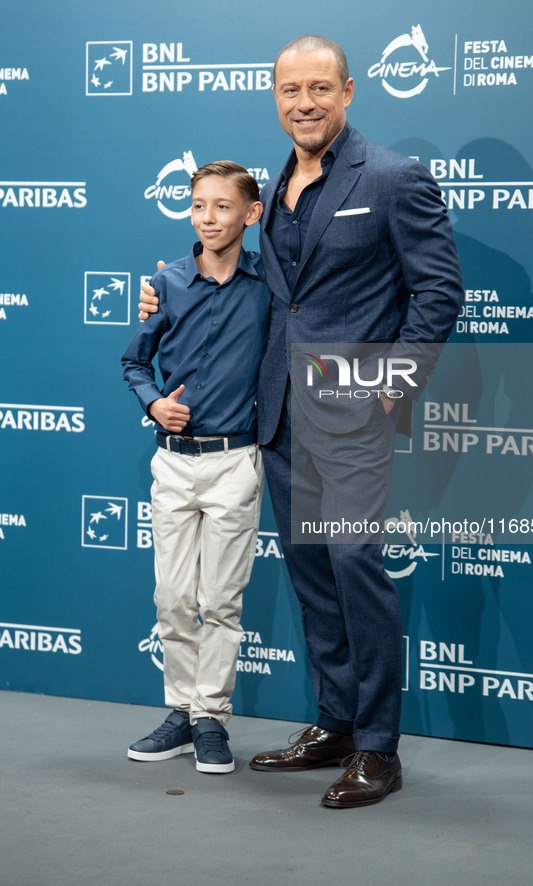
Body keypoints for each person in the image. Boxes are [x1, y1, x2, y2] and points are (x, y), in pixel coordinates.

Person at [139, 36, 464, 806]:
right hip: (278, 415)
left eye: (319, 88)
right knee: (314, 578)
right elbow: (251, 281)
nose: (305, 103)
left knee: (355, 568)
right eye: (291, 90)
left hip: (351, 412)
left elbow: (437, 293)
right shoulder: (276, 181)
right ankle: (336, 724)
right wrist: (164, 293)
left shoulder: (391, 177)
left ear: (347, 90)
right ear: (275, 97)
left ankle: (379, 747)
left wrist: (388, 389)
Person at [123, 161, 270, 774]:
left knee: (222, 599)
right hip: (173, 464)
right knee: (173, 596)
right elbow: (134, 363)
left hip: (236, 459)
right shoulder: (167, 282)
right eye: (198, 206)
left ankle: (212, 716)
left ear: (251, 214)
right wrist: (153, 401)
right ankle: (181, 713)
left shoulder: (272, 284)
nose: (208, 218)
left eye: (222, 206)